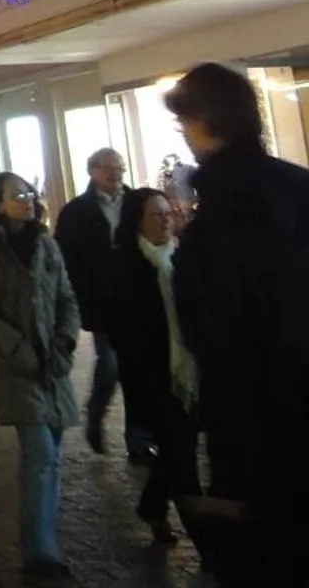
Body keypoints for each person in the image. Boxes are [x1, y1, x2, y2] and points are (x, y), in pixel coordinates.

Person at [164, 62, 309, 585]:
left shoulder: (223, 217)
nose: (184, 134)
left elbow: (224, 341)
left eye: (185, 123)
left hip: (259, 428)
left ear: (207, 121)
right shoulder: (295, 187)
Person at [0, 173, 80, 579]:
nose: (27, 200)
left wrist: (65, 340)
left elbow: (66, 296)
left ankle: (39, 542)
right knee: (40, 453)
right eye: (17, 195)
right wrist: (11, 342)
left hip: (53, 364)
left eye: (29, 192)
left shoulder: (45, 244)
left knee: (51, 455)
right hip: (16, 365)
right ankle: (41, 552)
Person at [103, 187, 198, 545]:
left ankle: (153, 505)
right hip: (149, 376)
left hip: (186, 372)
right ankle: (208, 544)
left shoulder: (181, 259)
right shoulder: (125, 266)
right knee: (181, 452)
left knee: (178, 447)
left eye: (167, 213)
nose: (165, 220)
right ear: (137, 222)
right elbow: (120, 327)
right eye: (156, 215)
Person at [53, 147, 149, 461]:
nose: (115, 173)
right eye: (108, 168)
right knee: (110, 364)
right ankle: (96, 412)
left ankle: (138, 441)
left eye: (119, 167)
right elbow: (66, 258)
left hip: (138, 298)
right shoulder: (76, 211)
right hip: (103, 301)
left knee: (137, 368)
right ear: (92, 171)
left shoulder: (138, 204)